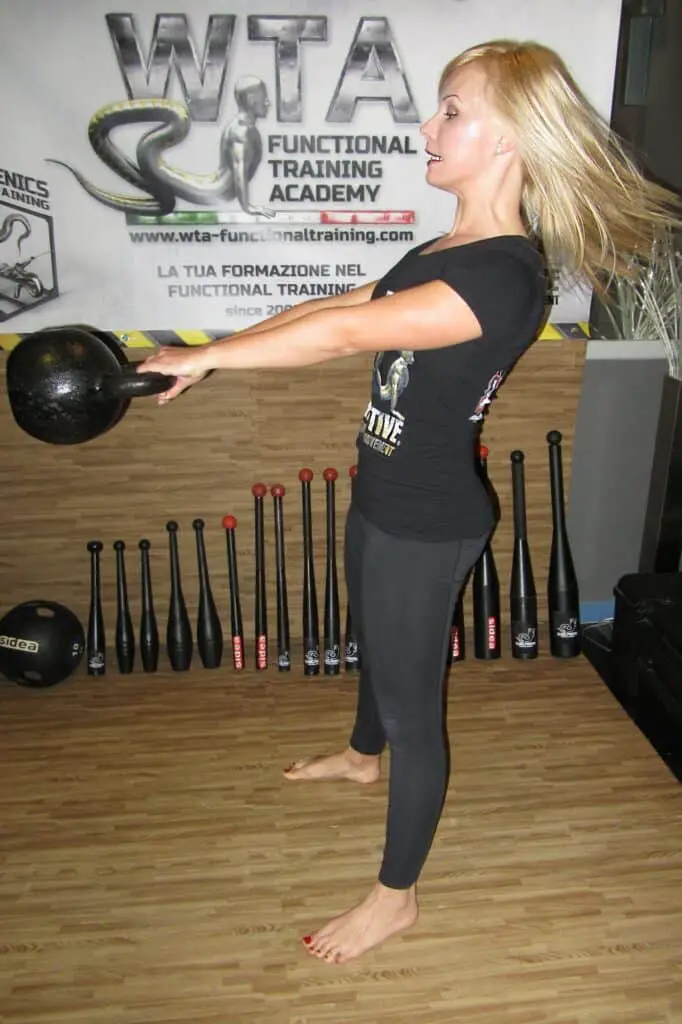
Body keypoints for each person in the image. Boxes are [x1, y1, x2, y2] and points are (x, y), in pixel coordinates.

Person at [137, 39, 680, 964]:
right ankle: (359, 755)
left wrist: (208, 358)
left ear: (509, 138)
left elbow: (343, 334)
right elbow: (343, 300)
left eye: (452, 112)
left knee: (411, 705)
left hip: (427, 522)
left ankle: (396, 898)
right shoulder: (451, 245)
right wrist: (216, 343)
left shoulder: (504, 274)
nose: (428, 127)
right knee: (378, 652)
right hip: (388, 491)